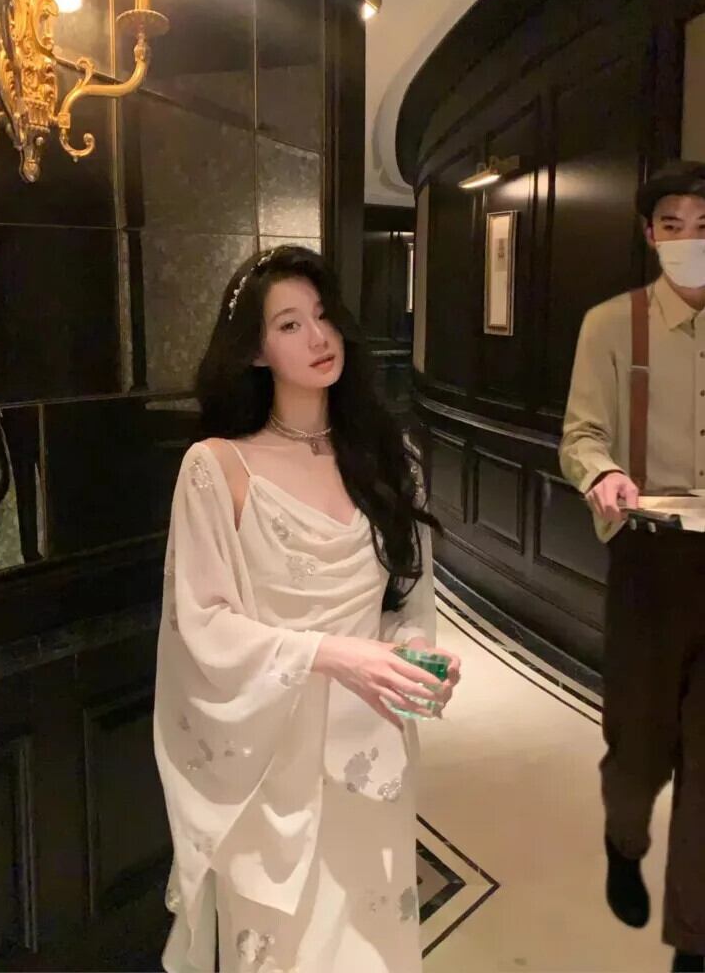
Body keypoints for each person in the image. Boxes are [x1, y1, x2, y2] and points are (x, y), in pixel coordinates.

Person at [154, 244, 461, 973]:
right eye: (289, 324)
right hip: (269, 759)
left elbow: (405, 597)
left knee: (370, 945)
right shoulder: (217, 467)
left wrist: (420, 656)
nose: (319, 337)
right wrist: (332, 654)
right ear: (254, 351)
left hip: (368, 747)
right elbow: (204, 624)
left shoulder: (389, 457)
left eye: (323, 316)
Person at [560, 162, 705, 973]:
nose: (690, 240)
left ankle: (695, 938)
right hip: (652, 559)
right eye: (674, 225)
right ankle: (624, 842)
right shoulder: (613, 324)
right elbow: (582, 434)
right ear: (649, 234)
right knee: (639, 747)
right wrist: (604, 474)